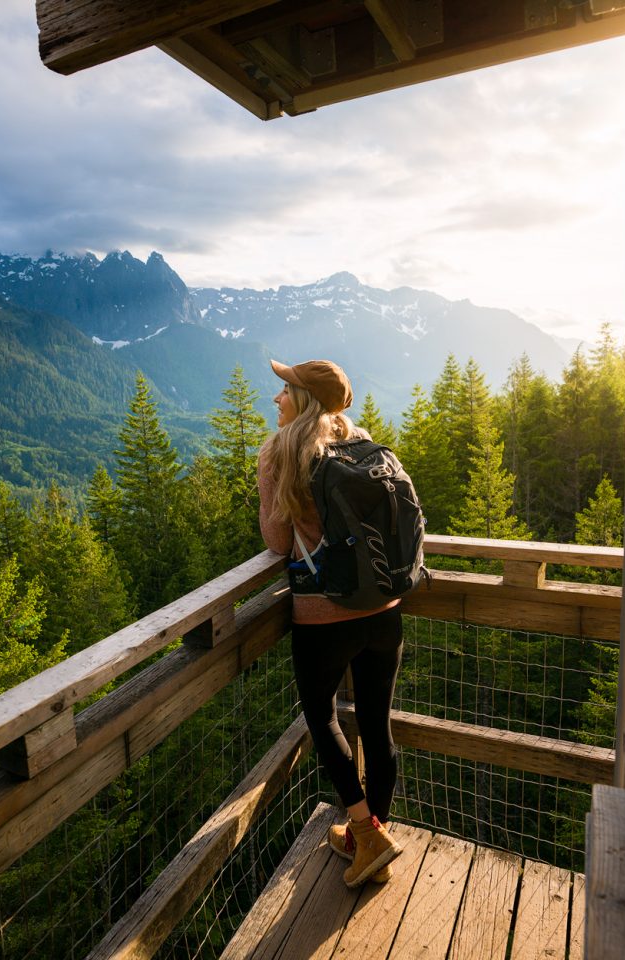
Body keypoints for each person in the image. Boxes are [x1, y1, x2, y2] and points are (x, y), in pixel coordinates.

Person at [258, 358, 404, 888]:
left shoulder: (282, 450)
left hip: (324, 617)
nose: (276, 399)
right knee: (376, 722)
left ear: (304, 400)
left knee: (322, 718)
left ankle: (366, 833)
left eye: (284, 390)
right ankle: (372, 835)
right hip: (384, 611)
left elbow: (276, 542)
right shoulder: (362, 441)